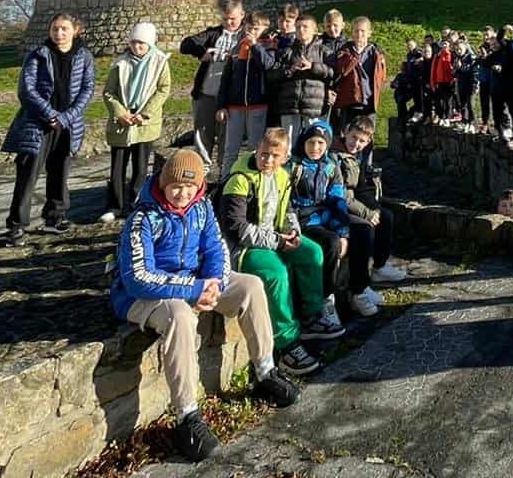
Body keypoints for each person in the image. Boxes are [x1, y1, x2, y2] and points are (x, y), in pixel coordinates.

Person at [111, 148, 300, 462]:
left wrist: (214, 284)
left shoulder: (201, 207)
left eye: (189, 186)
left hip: (192, 281)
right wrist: (195, 289)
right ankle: (187, 416)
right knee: (179, 315)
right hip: (142, 297)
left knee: (251, 285)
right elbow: (138, 278)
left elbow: (216, 249)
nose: (182, 193)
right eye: (175, 187)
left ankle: (265, 372)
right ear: (163, 183)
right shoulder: (143, 218)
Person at [217, 128, 326, 377]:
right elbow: (236, 228)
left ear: (285, 158)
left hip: (274, 236)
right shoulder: (239, 180)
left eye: (274, 156)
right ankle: (287, 343)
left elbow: (286, 211)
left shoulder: (282, 176)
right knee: (275, 273)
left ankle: (312, 316)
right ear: (256, 150)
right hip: (244, 247)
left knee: (313, 253)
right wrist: (277, 242)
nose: (267, 160)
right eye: (263, 154)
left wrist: (294, 233)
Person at [2, 12, 95, 244]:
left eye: (64, 28)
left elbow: (87, 90)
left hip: (67, 125)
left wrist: (65, 118)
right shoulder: (38, 55)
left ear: (76, 30)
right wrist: (50, 115)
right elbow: (26, 90)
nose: (59, 33)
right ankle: (17, 224)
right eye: (55, 28)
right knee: (28, 174)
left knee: (60, 171)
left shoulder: (84, 57)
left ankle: (55, 217)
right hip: (37, 124)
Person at [100, 20, 172, 223]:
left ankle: (136, 202)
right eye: (134, 43)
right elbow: (109, 92)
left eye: (141, 43)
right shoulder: (120, 63)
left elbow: (163, 89)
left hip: (144, 122)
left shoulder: (159, 62)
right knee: (117, 166)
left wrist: (145, 113)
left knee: (140, 167)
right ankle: (114, 205)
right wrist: (120, 113)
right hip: (122, 122)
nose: (137, 47)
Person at [336, 115, 406, 315]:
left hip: (352, 203)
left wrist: (374, 208)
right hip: (339, 207)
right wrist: (367, 213)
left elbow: (362, 186)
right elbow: (342, 194)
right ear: (346, 132)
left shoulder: (359, 155)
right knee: (364, 230)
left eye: (362, 141)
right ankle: (360, 288)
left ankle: (379, 267)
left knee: (386, 217)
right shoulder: (336, 155)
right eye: (353, 138)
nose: (356, 143)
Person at [288, 119, 351, 335]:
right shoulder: (294, 166)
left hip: (322, 218)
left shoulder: (331, 167)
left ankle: (356, 292)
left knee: (347, 237)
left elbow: (337, 201)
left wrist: (343, 232)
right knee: (330, 244)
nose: (315, 148)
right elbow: (286, 200)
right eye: (311, 142)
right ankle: (325, 298)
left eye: (320, 144)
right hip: (302, 221)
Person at [180, 0, 246, 165]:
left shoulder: (246, 35)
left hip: (232, 96)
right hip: (207, 93)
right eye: (225, 19)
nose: (229, 22)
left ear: (242, 15)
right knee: (202, 136)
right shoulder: (214, 33)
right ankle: (201, 172)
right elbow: (186, 44)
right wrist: (202, 52)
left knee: (227, 138)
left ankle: (224, 172)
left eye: (233, 18)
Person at [218, 14, 275, 179]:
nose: (251, 32)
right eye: (249, 28)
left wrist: (255, 46)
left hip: (258, 105)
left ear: (264, 29)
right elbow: (226, 79)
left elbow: (268, 64)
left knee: (254, 148)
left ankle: (252, 181)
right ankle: (224, 183)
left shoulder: (268, 46)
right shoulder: (237, 48)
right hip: (235, 106)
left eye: (256, 29)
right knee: (230, 150)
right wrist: (222, 105)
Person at [270, 14, 335, 151]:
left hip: (315, 106)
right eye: (298, 27)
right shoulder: (287, 52)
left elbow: (333, 73)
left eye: (305, 27)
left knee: (315, 143)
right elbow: (272, 75)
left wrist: (312, 66)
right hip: (290, 104)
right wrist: (290, 69)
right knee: (287, 146)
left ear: (314, 29)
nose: (301, 30)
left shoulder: (324, 52)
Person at [331, 15, 385, 135]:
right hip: (349, 102)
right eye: (356, 31)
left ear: (369, 33)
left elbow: (381, 77)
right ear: (352, 33)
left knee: (366, 138)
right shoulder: (344, 51)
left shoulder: (376, 53)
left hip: (369, 103)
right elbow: (342, 70)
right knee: (347, 137)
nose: (359, 34)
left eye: (363, 31)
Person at [485, 31, 513, 142]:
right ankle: (501, 132)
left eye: (495, 44)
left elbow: (501, 39)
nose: (494, 46)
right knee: (498, 112)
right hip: (498, 89)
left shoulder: (509, 49)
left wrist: (504, 29)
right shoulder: (493, 55)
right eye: (491, 45)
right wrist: (494, 66)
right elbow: (485, 63)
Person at [430, 36, 456, 122]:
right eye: (443, 44)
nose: (444, 45)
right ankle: (441, 116)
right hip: (439, 81)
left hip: (449, 81)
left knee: (448, 101)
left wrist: (453, 78)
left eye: (446, 44)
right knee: (439, 101)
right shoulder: (437, 55)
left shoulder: (452, 54)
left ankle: (447, 117)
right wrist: (433, 83)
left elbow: (455, 68)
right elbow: (433, 70)